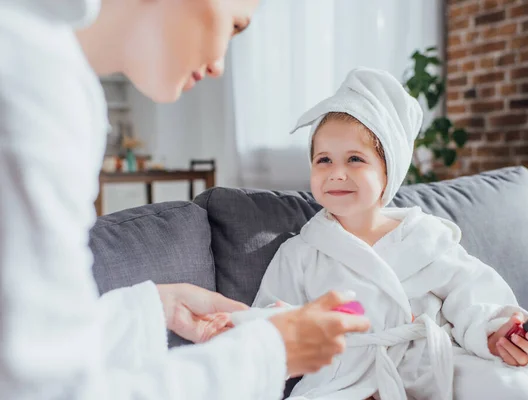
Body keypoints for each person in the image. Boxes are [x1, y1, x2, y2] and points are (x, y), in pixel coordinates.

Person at [0, 0, 370, 399]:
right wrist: (270, 353)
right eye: (233, 25)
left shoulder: (35, 58)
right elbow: (49, 390)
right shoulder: (34, 89)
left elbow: (30, 344)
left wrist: (153, 309)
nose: (218, 66)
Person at [253, 67, 528, 400]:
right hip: (345, 376)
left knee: (504, 386)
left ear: (388, 171)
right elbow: (269, 326)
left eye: (355, 159)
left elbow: (473, 297)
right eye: (323, 160)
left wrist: (498, 334)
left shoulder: (425, 237)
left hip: (435, 362)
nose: (336, 173)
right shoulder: (301, 252)